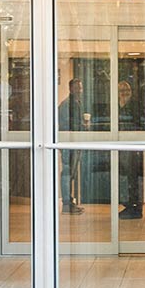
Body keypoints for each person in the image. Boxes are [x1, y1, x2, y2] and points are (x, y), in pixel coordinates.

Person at [117, 77, 145, 220]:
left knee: (134, 178)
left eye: (127, 90)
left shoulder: (136, 105)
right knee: (125, 177)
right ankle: (129, 205)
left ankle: (135, 207)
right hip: (121, 147)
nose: (124, 93)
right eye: (121, 90)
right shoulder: (116, 106)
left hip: (133, 147)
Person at [57, 75, 88, 214]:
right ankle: (66, 203)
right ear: (70, 89)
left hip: (75, 143)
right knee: (68, 172)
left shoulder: (77, 103)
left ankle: (69, 201)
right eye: (76, 88)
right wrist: (80, 126)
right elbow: (65, 124)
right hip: (68, 143)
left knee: (72, 173)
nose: (79, 90)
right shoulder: (66, 105)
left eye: (80, 88)